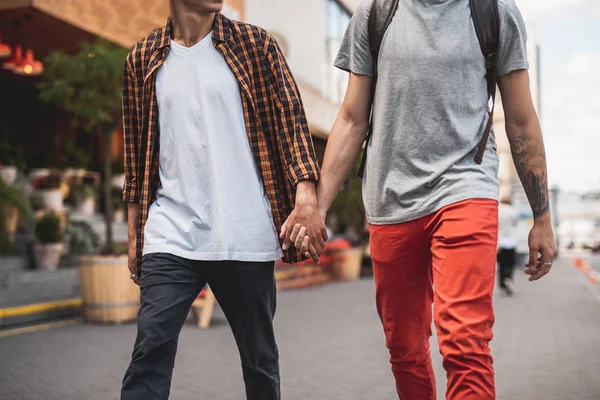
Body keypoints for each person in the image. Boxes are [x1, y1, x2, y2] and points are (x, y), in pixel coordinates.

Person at [284, 0, 557, 398]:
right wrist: (318, 208)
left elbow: (520, 119)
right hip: (390, 198)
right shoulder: (375, 13)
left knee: (465, 342)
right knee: (404, 347)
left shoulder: (494, 12)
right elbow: (351, 118)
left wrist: (542, 215)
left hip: (466, 187)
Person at [120, 1, 324, 399]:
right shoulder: (142, 58)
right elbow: (136, 155)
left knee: (260, 362)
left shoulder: (255, 46)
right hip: (172, 232)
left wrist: (306, 196)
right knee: (150, 350)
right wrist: (135, 237)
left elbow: (290, 122)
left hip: (244, 232)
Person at [497, 196, 519, 296]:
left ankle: (502, 284)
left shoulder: (498, 210)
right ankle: (508, 278)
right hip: (511, 241)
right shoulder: (513, 211)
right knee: (510, 263)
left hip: (500, 241)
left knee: (501, 264)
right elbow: (515, 224)